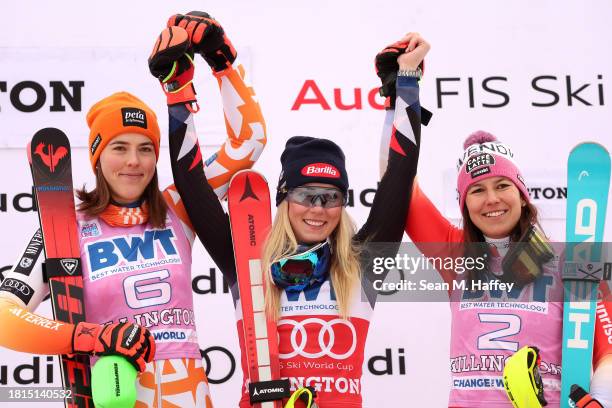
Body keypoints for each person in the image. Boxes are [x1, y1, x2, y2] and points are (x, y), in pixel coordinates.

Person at [161, 11, 429, 403]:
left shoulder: (361, 263)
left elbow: (400, 177)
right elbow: (192, 185)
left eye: (331, 196)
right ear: (284, 200)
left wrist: (406, 84)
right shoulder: (248, 260)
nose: (318, 208)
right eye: (306, 195)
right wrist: (178, 90)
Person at [0, 13, 266, 408]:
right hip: (117, 394)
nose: (134, 162)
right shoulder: (65, 227)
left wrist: (221, 61)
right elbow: (6, 317)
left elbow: (248, 143)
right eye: (119, 148)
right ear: (97, 157)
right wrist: (90, 337)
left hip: (190, 395)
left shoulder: (179, 206)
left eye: (145, 149)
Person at [376, 36, 612, 406]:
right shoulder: (457, 254)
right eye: (477, 190)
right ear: (465, 203)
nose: (492, 200)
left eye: (502, 185)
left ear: (522, 194)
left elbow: (607, 355)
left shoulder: (572, 261)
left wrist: (600, 399)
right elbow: (397, 184)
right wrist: (402, 92)